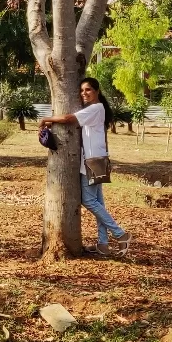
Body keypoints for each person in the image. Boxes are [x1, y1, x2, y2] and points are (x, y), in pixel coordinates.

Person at [45, 78, 132, 255]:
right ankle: (103, 243)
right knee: (99, 202)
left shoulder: (95, 108)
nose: (84, 93)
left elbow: (68, 118)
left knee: (89, 200)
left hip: (93, 161)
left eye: (88, 90)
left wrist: (46, 119)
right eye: (82, 90)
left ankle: (120, 234)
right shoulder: (96, 109)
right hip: (98, 159)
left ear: (97, 91)